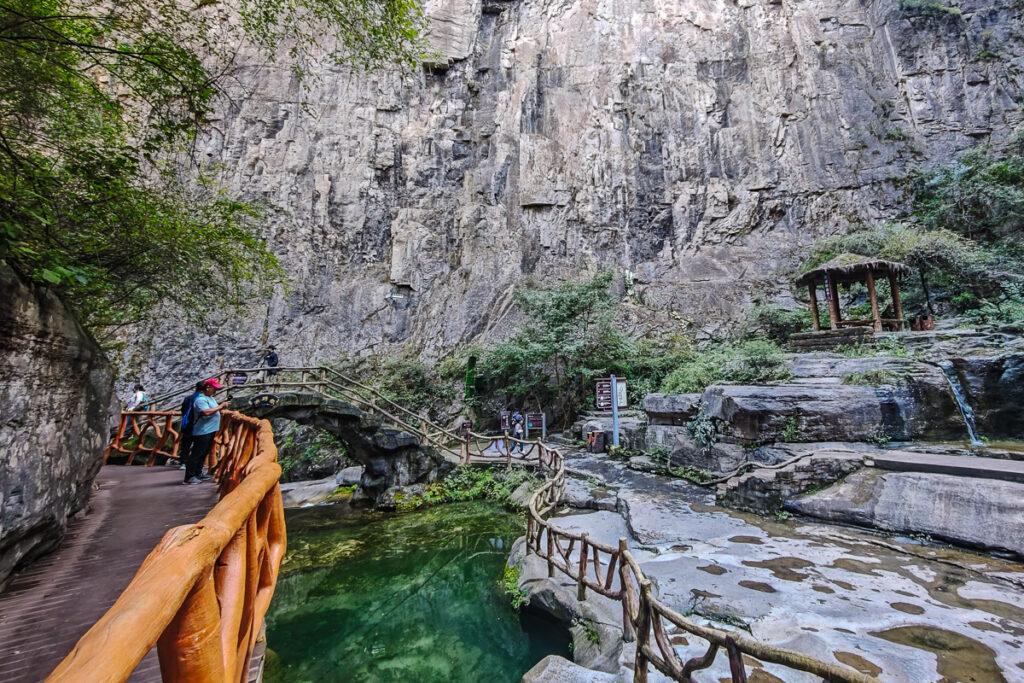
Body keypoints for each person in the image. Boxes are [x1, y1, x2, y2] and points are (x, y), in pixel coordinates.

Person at [184, 378, 229, 485]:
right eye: (214, 388)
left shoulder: (210, 398)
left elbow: (213, 409)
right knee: (196, 454)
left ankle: (198, 473)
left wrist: (220, 407)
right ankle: (189, 477)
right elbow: (206, 412)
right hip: (202, 431)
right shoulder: (200, 400)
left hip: (210, 430)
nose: (216, 391)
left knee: (203, 453)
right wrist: (221, 406)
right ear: (208, 388)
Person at [177, 381, 204, 472]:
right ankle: (194, 465)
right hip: (198, 424)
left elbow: (183, 410)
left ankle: (183, 462)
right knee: (198, 445)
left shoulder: (188, 398)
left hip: (187, 423)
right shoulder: (202, 398)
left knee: (186, 444)